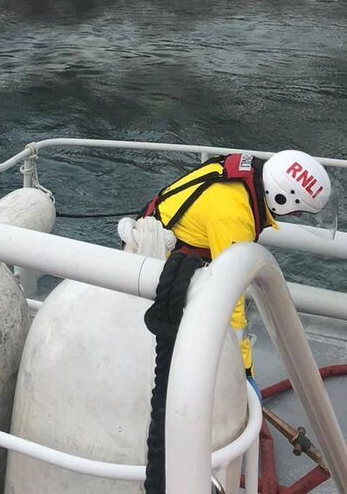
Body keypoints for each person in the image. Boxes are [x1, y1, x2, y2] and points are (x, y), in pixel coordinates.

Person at [140, 150, 333, 380]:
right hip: (165, 265)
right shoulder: (236, 216)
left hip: (173, 244)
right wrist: (244, 371)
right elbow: (230, 301)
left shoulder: (246, 179)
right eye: (298, 210)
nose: (297, 216)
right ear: (282, 198)